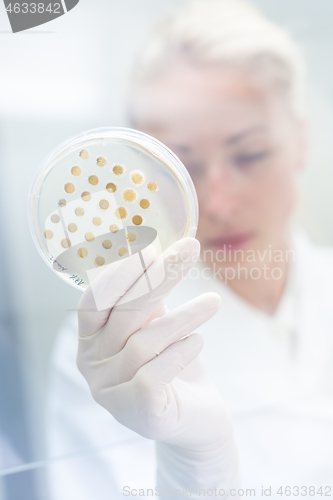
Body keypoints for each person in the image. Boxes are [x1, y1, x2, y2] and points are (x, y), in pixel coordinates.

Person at [46, 1, 333, 499]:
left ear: (301, 141)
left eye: (250, 154)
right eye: (182, 167)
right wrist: (195, 467)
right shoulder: (113, 346)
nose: (218, 201)